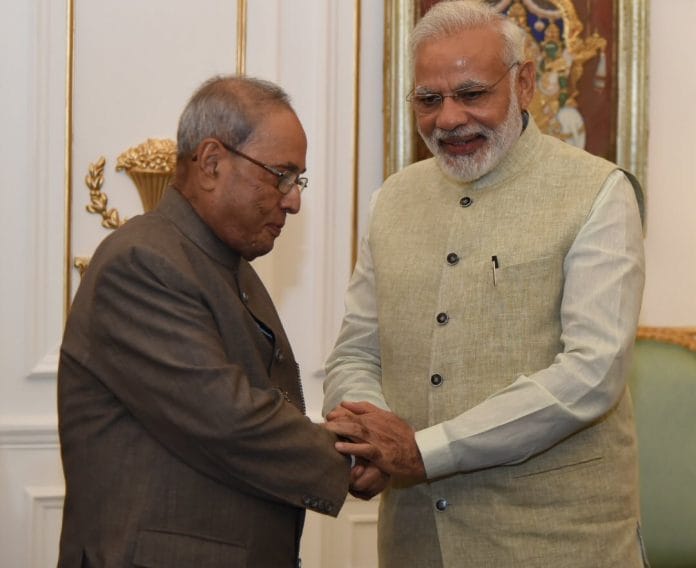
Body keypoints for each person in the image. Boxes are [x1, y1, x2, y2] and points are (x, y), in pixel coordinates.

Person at [322, 1, 647, 567]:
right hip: (416, 543)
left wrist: (425, 451)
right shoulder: (391, 200)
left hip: (557, 545)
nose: (449, 119)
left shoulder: (598, 191)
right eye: (429, 100)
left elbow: (592, 372)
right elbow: (356, 353)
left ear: (524, 84)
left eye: (472, 94)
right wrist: (369, 440)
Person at [57, 75, 351, 568]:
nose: (293, 199)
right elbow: (229, 421)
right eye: (281, 175)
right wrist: (354, 458)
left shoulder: (224, 263)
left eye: (297, 180)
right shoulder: (142, 262)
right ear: (212, 162)